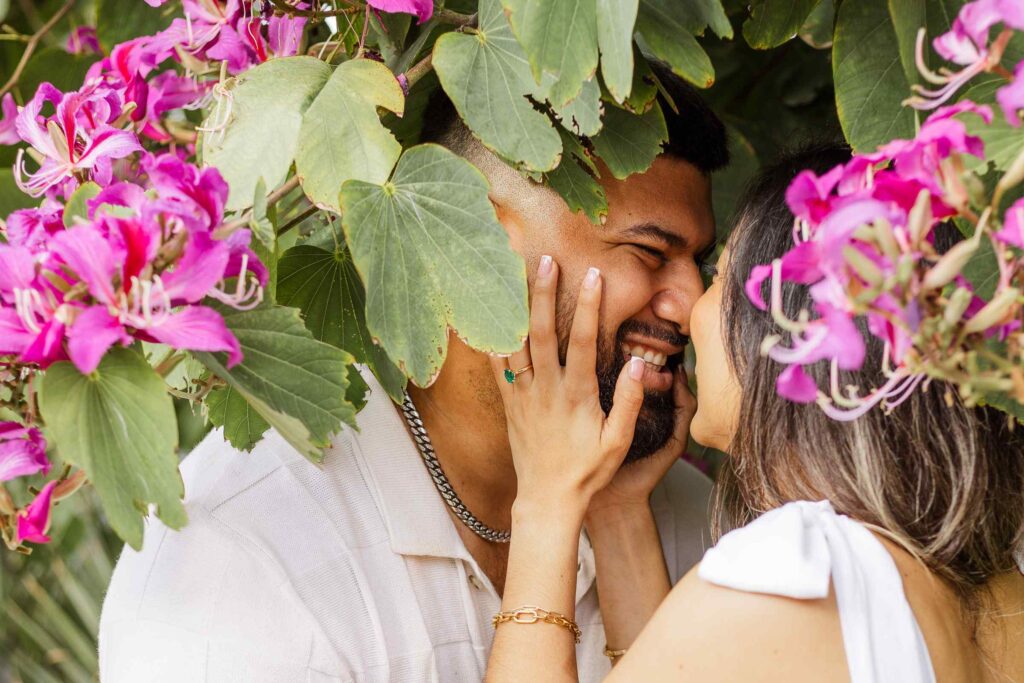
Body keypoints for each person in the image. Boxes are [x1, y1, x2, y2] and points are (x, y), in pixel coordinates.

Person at [97, 70, 729, 681]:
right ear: (468, 237)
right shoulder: (244, 556)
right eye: (650, 253)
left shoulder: (693, 522)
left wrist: (616, 519)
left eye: (698, 263)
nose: (691, 302)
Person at [485, 144, 1024, 683]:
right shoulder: (996, 587)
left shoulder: (797, 574)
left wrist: (546, 502)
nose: (691, 303)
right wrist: (618, 510)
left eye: (717, 277)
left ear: (800, 323)